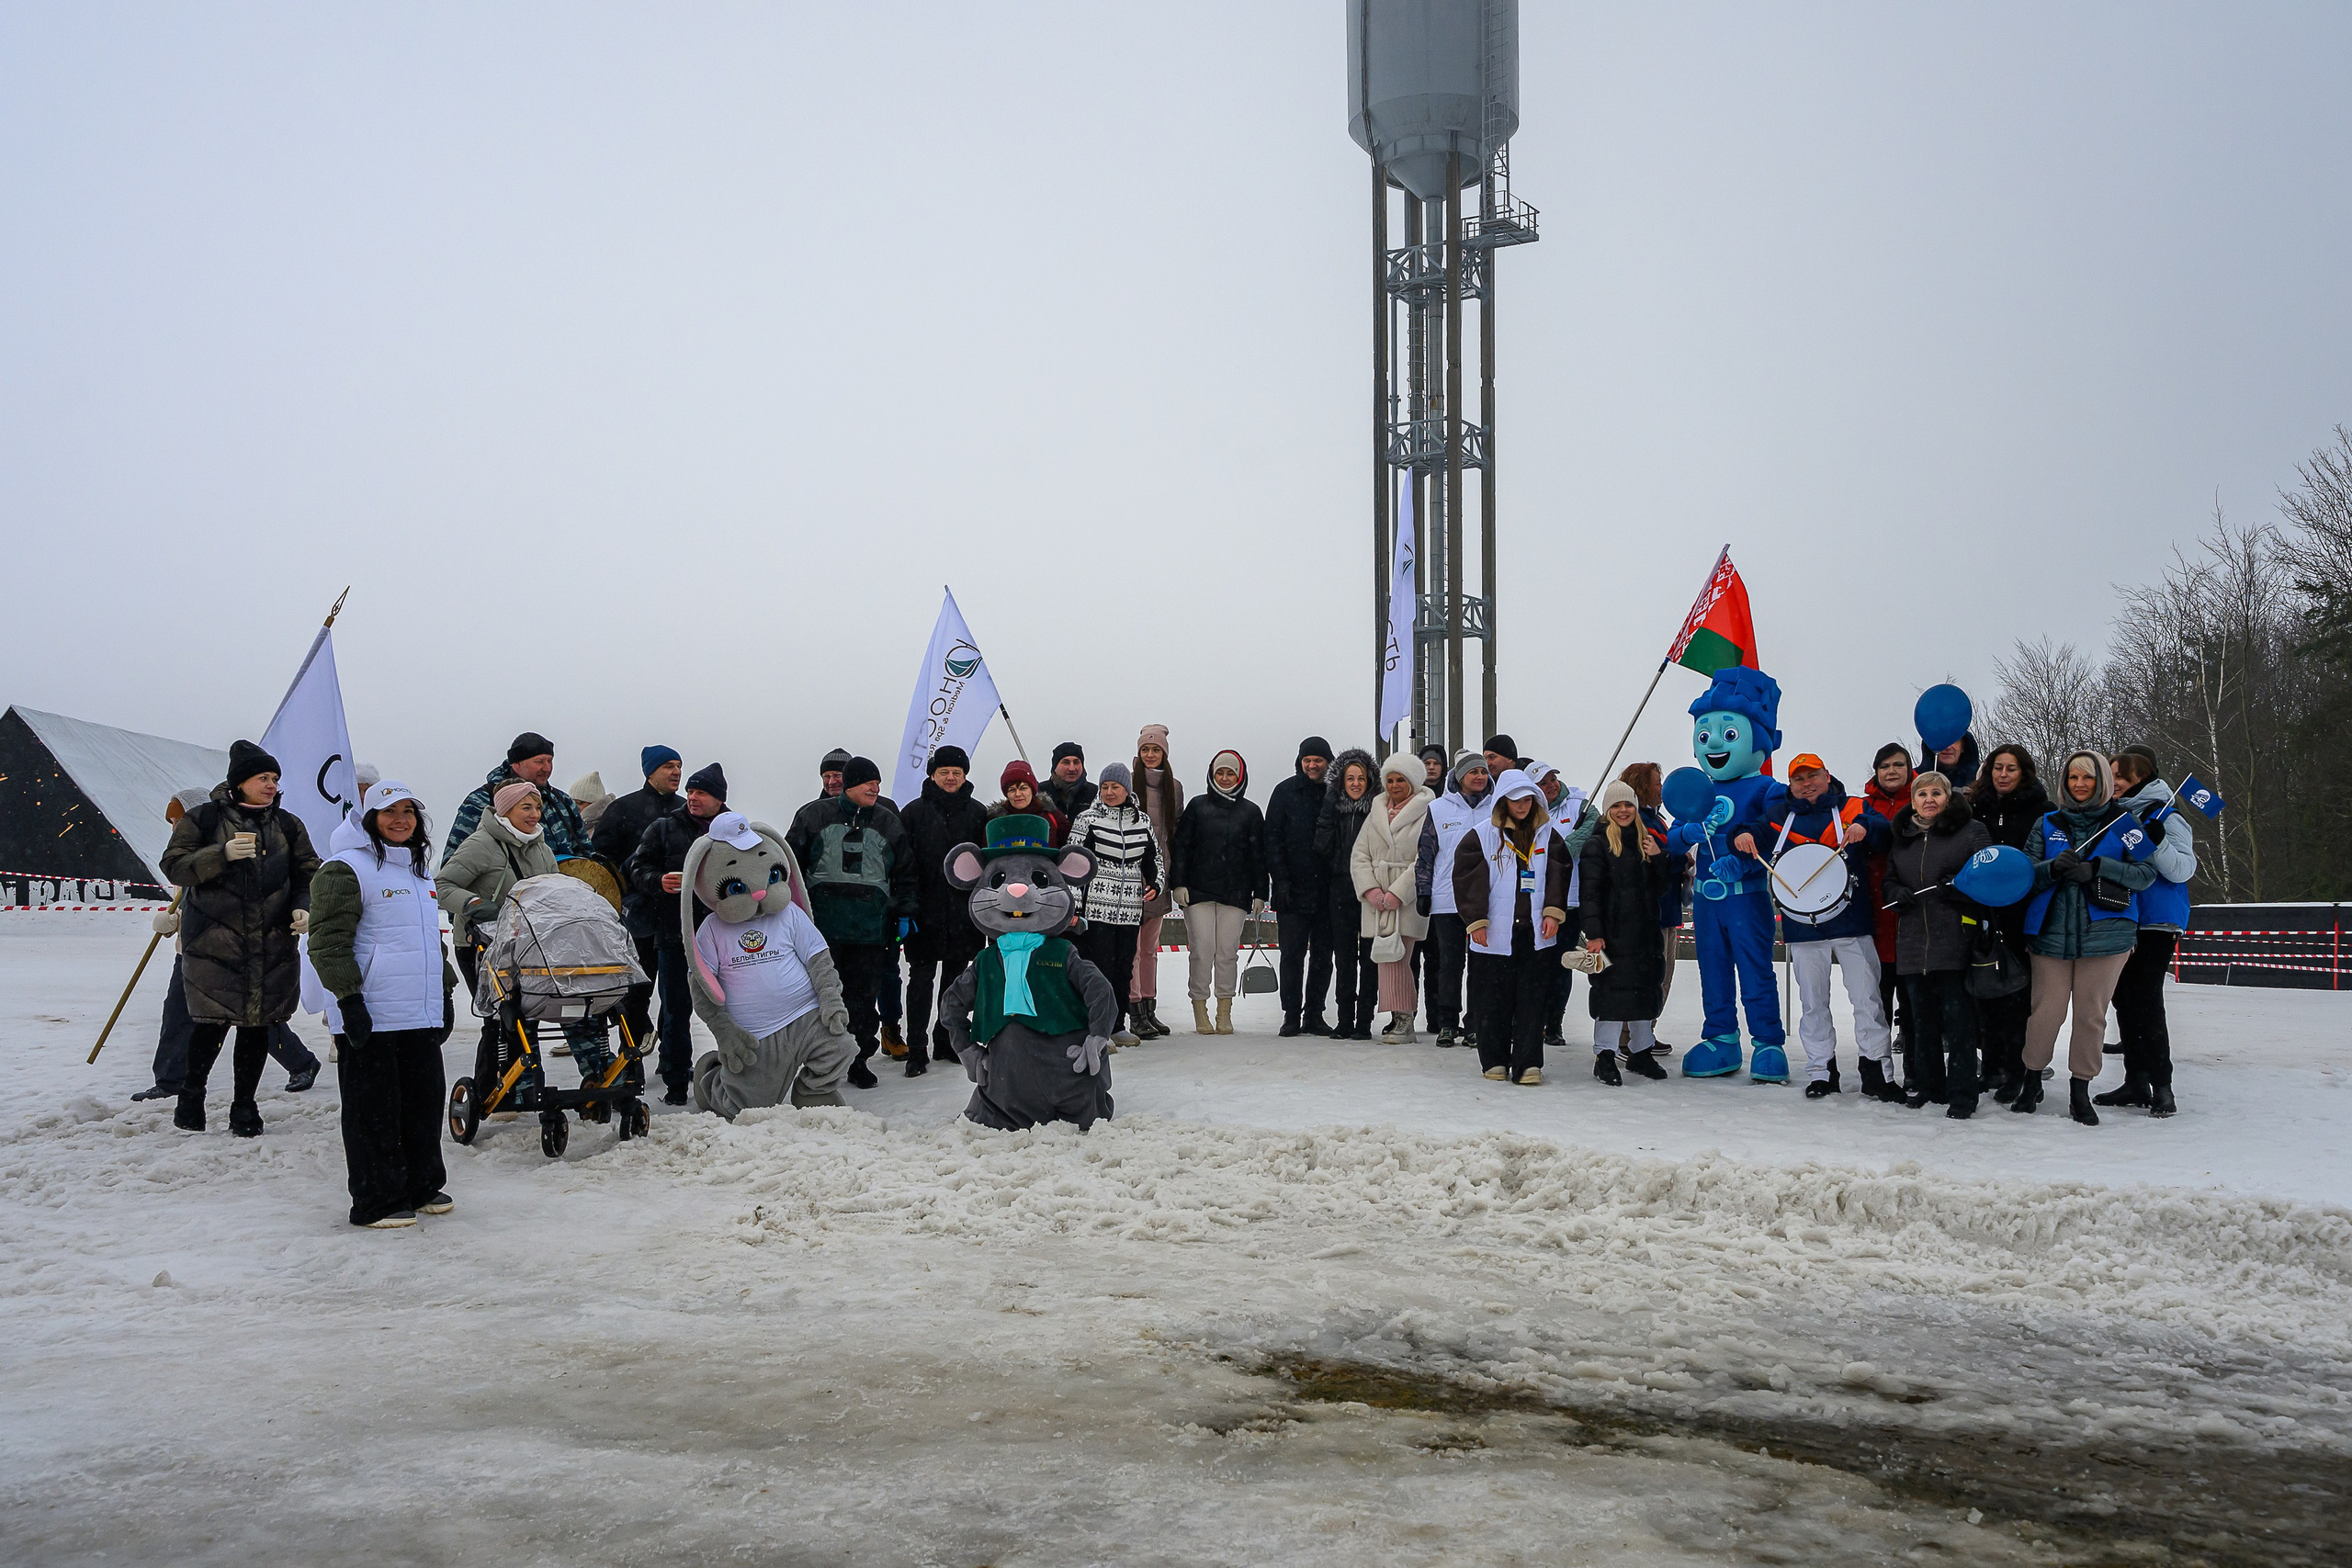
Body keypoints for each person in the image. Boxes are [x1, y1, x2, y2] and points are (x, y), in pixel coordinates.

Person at [308, 781, 458, 1229]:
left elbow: (428, 941)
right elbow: (328, 942)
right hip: (371, 1011)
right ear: (369, 818)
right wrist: (349, 999)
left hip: (418, 1010)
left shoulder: (418, 870)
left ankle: (420, 1185)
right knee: (373, 1111)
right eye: (389, 811)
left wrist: (445, 991)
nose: (400, 820)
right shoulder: (344, 869)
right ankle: (376, 1199)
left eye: (408, 811)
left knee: (422, 1104)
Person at [158, 741, 322, 1136]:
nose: (271, 785)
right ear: (240, 781)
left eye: (275, 778)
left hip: (271, 945)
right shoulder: (204, 818)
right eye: (263, 777)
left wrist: (303, 906)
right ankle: (190, 1098)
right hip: (214, 945)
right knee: (209, 1025)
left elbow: (308, 872)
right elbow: (174, 866)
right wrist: (221, 854)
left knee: (257, 1026)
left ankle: (245, 1106)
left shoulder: (288, 825)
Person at [2018, 750, 2160, 1126]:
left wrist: (2099, 868)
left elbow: (2146, 873)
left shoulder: (2125, 823)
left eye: (2088, 777)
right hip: (2050, 936)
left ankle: (2080, 1089)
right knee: (2046, 1012)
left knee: (2090, 1016)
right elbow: (2024, 874)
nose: (2079, 784)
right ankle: (2031, 1080)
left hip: (2106, 937)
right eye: (2073, 777)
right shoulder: (2047, 822)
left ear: (2103, 782)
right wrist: (2052, 868)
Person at [1750, 753, 1897, 1101]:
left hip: (1852, 922)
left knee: (1868, 1000)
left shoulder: (1854, 808)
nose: (1807, 784)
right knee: (1813, 1003)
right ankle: (1821, 1072)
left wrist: (1866, 826)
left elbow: (1885, 832)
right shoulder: (1777, 817)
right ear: (1790, 784)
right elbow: (1749, 831)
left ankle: (1876, 1071)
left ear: (1827, 776)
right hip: (1803, 928)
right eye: (1798, 779)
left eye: (1812, 776)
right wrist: (1742, 836)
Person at [786, 755, 917, 1088]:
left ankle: (858, 1060)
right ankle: (820, 1059)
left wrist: (905, 913)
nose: (875, 788)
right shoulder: (812, 815)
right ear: (850, 784)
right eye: (868, 783)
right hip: (821, 932)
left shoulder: (888, 822)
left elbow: (905, 873)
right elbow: (789, 867)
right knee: (821, 998)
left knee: (863, 1001)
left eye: (877, 783)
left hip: (871, 932)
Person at [1881, 772, 1994, 1117]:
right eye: (1922, 794)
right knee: (1921, 1023)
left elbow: (1989, 877)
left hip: (1955, 940)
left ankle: (1962, 1093)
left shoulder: (1971, 831)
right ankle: (1930, 1087)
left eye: (1936, 793)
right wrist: (1896, 893)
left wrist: (1960, 887)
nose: (1929, 799)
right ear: (1913, 801)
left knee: (1959, 1024)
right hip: (1914, 943)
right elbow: (1889, 880)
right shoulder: (1903, 837)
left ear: (1948, 798)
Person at [1453, 770, 1570, 1085]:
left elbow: (1559, 874)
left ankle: (1528, 1062)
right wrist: (1476, 921)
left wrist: (1553, 912)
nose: (1522, 805)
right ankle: (1494, 1060)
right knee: (1492, 1001)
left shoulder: (1549, 835)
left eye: (1527, 799)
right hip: (1493, 935)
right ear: (1503, 800)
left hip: (1535, 934)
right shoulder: (1480, 836)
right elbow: (1467, 880)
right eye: (1515, 799)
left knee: (1532, 1001)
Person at [625, 764, 729, 1101]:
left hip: (724, 935)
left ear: (719, 799)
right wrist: (658, 881)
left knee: (732, 1006)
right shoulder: (664, 828)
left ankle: (735, 1068)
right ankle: (676, 1079)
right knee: (675, 1010)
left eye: (702, 793)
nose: (693, 798)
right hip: (675, 933)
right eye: (691, 791)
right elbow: (637, 868)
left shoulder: (734, 830)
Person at [2105, 744, 2196, 1117]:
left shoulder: (2167, 815)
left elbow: (2182, 870)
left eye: (2119, 776)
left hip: (2157, 920)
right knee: (2123, 998)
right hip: (2123, 916)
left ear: (2139, 777)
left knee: (2146, 1000)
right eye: (2110, 775)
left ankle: (2163, 1086)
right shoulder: (2116, 815)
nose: (2112, 782)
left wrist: (2156, 842)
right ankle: (2136, 1080)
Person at [897, 745, 993, 1074]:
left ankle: (945, 1040)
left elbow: (986, 866)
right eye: (944, 772)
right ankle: (916, 1048)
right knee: (920, 981)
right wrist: (907, 907)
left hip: (963, 914)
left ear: (965, 776)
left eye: (957, 772)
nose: (951, 777)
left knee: (955, 983)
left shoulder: (979, 814)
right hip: (924, 913)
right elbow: (903, 865)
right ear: (933, 775)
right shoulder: (913, 813)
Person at [593, 745, 687, 1071]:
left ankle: (672, 1062)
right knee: (636, 992)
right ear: (650, 772)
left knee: (676, 997)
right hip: (638, 917)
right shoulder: (623, 809)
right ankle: (629, 1065)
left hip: (677, 917)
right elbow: (601, 862)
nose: (676, 772)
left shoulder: (685, 810)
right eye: (668, 766)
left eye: (679, 765)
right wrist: (626, 895)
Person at [1966, 744, 2050, 1103]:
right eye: (1997, 768)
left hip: (2024, 913)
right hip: (1982, 911)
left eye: (2010, 769)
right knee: (1985, 991)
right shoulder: (1975, 808)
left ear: (2023, 772)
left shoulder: (2042, 811)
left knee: (2018, 997)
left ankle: (2018, 1071)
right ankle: (1992, 1065)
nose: (2002, 775)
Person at [1576, 782, 1675, 1083]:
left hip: (1645, 934)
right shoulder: (1596, 845)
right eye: (1616, 806)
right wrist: (1594, 932)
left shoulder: (1645, 842)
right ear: (1607, 810)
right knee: (1611, 997)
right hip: (1612, 935)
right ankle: (1604, 1055)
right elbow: (1589, 893)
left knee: (1644, 993)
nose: (1623, 811)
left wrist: (1658, 857)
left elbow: (1662, 888)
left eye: (1628, 805)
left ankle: (1641, 1052)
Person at [1168, 749, 1268, 1035]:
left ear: (1240, 776)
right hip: (1198, 892)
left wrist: (1260, 892)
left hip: (1235, 894)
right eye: (1220, 772)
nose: (1224, 778)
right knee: (1202, 951)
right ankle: (1200, 1008)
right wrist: (1178, 883)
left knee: (1227, 953)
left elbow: (1258, 856)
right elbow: (1182, 847)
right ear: (1212, 775)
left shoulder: (1250, 812)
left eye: (1230, 773)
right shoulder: (1197, 807)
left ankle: (1224, 1011)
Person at [1067, 761, 1162, 1047]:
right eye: (1105, 787)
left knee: (1123, 969)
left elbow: (1155, 859)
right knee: (1099, 969)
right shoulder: (1087, 819)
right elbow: (1072, 864)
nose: (1109, 792)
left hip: (1130, 910)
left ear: (1127, 790)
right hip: (1096, 908)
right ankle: (1097, 1027)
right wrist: (1074, 906)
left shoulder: (1142, 821)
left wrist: (1156, 884)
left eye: (1115, 787)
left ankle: (1118, 1024)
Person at [1350, 752, 1434, 1043]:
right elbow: (1359, 855)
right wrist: (1371, 890)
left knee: (1397, 958)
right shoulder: (1376, 810)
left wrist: (1398, 893)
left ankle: (1404, 1019)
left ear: (1413, 782)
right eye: (1390, 780)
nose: (1395, 786)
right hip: (1377, 899)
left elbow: (1425, 856)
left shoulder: (1427, 811)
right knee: (1387, 958)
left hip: (1406, 898)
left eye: (1401, 780)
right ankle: (1400, 1017)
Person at [1415, 752, 1493, 1049]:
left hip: (1485, 900)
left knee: (1480, 964)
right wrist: (1424, 890)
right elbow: (1426, 854)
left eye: (1483, 772)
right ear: (1460, 777)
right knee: (1450, 963)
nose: (1479, 777)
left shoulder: (1497, 807)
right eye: (1473, 772)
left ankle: (1475, 1024)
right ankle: (1447, 1022)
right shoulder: (1438, 809)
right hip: (1447, 900)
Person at [1263, 736, 1336, 1036]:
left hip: (1329, 890)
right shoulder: (1284, 792)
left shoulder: (1337, 793)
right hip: (1291, 889)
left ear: (1328, 762)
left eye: (1318, 760)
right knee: (1291, 955)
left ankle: (1314, 1014)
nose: (1313, 765)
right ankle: (1291, 1014)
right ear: (1300, 762)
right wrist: (1280, 880)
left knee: (1323, 956)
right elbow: (1272, 839)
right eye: (1308, 760)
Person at [1618, 762, 1685, 1059]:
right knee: (1644, 979)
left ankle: (1646, 1032)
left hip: (1668, 911)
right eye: (1658, 782)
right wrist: (1678, 859)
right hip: (1649, 914)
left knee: (1663, 979)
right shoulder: (1637, 823)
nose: (1662, 788)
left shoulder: (1659, 820)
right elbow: (1653, 862)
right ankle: (1626, 1037)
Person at [1313, 750, 1379, 1039]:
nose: (1355, 784)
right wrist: (1328, 811)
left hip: (1369, 889)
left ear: (1369, 781)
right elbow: (1321, 847)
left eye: (1360, 778)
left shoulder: (1377, 810)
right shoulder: (1333, 808)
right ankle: (1344, 1019)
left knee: (1370, 957)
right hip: (1339, 887)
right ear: (1341, 781)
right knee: (1344, 957)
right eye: (1350, 778)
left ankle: (1364, 1020)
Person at [444, 732, 589, 861]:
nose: (547, 768)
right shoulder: (482, 801)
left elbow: (587, 854)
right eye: (539, 762)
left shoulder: (563, 802)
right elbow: (454, 861)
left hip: (566, 882)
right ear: (517, 764)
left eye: (550, 761)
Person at [1527, 761, 1591, 1052]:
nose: (1551, 785)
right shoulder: (1528, 811)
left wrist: (1564, 849)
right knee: (1537, 965)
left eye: (1552, 778)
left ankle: (1554, 1023)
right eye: (1543, 782)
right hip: (1536, 901)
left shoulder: (1579, 803)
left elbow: (1593, 826)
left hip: (1571, 901)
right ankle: (1533, 1020)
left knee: (1562, 965)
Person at [1862, 742, 1916, 1069]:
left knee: (1914, 1002)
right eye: (1885, 766)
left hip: (1914, 914)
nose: (1891, 771)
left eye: (1898, 764)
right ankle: (1878, 1067)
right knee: (1877, 998)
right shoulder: (1865, 806)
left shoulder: (1924, 799)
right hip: (1875, 912)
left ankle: (1915, 1069)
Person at [1129, 726, 1183, 1038]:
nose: (1150, 755)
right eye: (1145, 750)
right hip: (1131, 878)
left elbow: (1174, 834)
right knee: (1134, 950)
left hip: (1160, 878)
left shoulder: (1174, 788)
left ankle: (1150, 1007)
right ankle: (1135, 1008)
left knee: (1151, 948)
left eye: (1156, 750)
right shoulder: (1128, 785)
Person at [990, 760, 1069, 846]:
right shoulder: (995, 822)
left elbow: (1069, 847)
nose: (1018, 794)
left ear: (1032, 790)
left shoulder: (1052, 816)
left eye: (1023, 788)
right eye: (1012, 790)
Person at [1042, 742, 1098, 824]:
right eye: (1066, 762)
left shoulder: (1095, 793)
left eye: (1076, 762)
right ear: (1055, 766)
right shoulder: (1040, 792)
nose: (1072, 768)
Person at [1919, 732, 1983, 793]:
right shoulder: (1916, 778)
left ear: (1963, 747)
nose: (1948, 747)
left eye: (1954, 741)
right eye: (1942, 741)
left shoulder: (1981, 779)